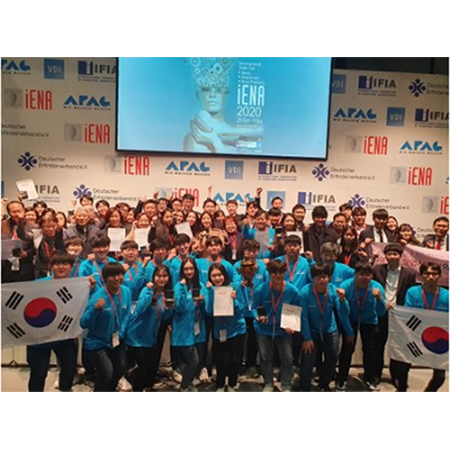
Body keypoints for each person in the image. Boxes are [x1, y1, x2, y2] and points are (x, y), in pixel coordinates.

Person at [26, 253, 79, 392]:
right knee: (38, 374)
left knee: (69, 369)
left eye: (65, 264)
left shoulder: (78, 286)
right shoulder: (39, 284)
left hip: (65, 336)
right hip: (39, 338)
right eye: (57, 264)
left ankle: (65, 391)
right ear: (51, 266)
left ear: (71, 267)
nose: (61, 267)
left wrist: (90, 286)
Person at [299, 264, 354, 392]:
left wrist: (342, 300)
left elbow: (344, 313)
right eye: (318, 277)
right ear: (312, 278)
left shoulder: (333, 291)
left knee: (333, 358)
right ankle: (304, 387)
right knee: (308, 360)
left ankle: (324, 385)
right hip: (312, 331)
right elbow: (303, 317)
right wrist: (307, 338)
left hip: (330, 330)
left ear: (329, 277)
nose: (322, 280)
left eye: (325, 277)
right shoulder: (305, 292)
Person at [394, 262, 449, 392]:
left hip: (438, 339)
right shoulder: (413, 292)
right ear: (421, 275)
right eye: (427, 273)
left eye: (434, 274)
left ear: (440, 276)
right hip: (415, 337)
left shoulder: (447, 295)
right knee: (402, 367)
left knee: (440, 376)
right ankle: (401, 390)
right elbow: (408, 315)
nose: (430, 277)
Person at [80, 263, 132, 392]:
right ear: (104, 278)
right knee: (106, 372)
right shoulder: (97, 298)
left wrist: (121, 332)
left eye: (119, 274)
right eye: (112, 276)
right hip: (97, 342)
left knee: (121, 368)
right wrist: (95, 309)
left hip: (116, 339)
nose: (117, 278)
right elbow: (83, 323)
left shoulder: (125, 291)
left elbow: (127, 313)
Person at [336, 262, 386, 391]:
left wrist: (379, 299)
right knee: (347, 350)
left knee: (370, 351)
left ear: (372, 276)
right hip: (351, 319)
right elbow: (342, 313)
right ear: (355, 274)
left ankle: (369, 379)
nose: (364, 277)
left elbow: (381, 312)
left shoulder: (377, 287)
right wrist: (348, 331)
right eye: (361, 274)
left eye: (368, 274)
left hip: (370, 321)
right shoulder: (346, 286)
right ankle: (341, 379)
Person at [252, 259, 300, 392]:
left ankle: (286, 385)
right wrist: (258, 317)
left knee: (287, 358)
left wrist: (293, 325)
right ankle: (268, 383)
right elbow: (254, 307)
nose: (278, 276)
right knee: (265, 357)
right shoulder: (260, 289)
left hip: (283, 329)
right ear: (269, 273)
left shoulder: (292, 291)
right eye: (274, 272)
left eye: (281, 272)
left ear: (285, 273)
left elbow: (296, 310)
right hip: (263, 329)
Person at [372, 243, 417, 387]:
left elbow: (410, 294)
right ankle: (376, 374)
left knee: (397, 346)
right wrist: (382, 302)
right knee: (378, 345)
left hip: (399, 314)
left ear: (400, 256)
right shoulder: (377, 270)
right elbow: (373, 288)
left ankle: (396, 376)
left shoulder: (410, 273)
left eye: (395, 254)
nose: (392, 257)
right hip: (381, 311)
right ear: (385, 256)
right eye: (389, 254)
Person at [125, 265, 173, 392]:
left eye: (164, 276)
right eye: (159, 276)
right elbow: (140, 309)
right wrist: (149, 292)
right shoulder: (146, 290)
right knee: (144, 365)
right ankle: (137, 390)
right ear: (153, 277)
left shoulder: (166, 294)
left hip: (150, 338)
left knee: (149, 367)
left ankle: (145, 388)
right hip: (135, 336)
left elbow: (163, 317)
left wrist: (169, 309)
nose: (161, 279)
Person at [205, 263, 246, 391]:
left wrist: (234, 301)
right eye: (214, 276)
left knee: (235, 360)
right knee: (221, 360)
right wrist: (210, 293)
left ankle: (232, 383)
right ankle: (221, 384)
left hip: (237, 329)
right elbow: (209, 311)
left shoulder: (235, 287)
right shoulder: (210, 290)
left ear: (225, 275)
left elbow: (243, 309)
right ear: (210, 278)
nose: (217, 278)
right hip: (220, 330)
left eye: (219, 275)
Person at [172, 258, 208, 392]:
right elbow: (179, 308)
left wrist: (203, 302)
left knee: (195, 361)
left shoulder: (201, 286)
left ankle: (188, 383)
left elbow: (207, 311)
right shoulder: (178, 287)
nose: (189, 272)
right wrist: (182, 288)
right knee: (193, 361)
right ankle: (183, 387)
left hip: (198, 329)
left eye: (191, 268)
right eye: (186, 269)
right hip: (183, 330)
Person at [234, 258, 260, 378]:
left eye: (251, 269)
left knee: (253, 341)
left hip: (254, 314)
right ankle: (238, 365)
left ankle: (251, 364)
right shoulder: (236, 284)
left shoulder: (259, 283)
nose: (248, 271)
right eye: (245, 269)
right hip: (240, 314)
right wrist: (240, 286)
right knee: (239, 341)